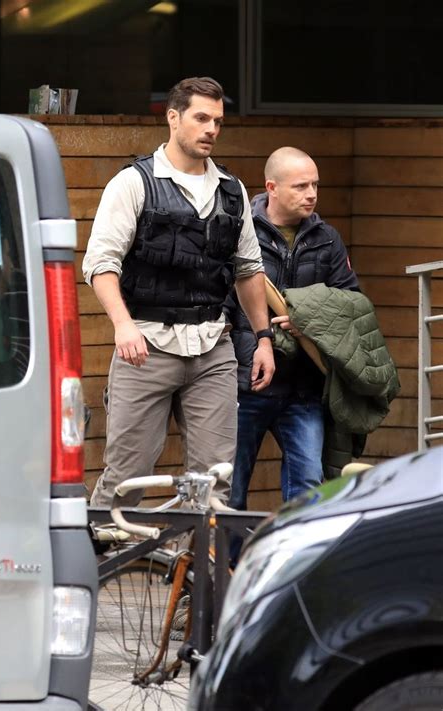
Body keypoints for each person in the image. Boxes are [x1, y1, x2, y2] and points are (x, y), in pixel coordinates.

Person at [83, 76, 275, 508]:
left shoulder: (232, 191)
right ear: (174, 118)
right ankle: (93, 569)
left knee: (213, 481)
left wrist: (263, 339)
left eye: (218, 122)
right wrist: (122, 325)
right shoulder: (133, 183)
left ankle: (197, 573)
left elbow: (248, 270)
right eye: (201, 118)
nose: (211, 129)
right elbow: (100, 263)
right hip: (146, 345)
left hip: (213, 348)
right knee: (126, 476)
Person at [226, 146, 360, 516]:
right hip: (248, 384)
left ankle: (295, 572)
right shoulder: (239, 232)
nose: (312, 194)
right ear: (272, 187)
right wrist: (249, 350)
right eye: (301, 186)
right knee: (230, 493)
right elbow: (222, 308)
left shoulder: (327, 238)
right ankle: (228, 571)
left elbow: (351, 301)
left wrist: (310, 319)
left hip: (304, 387)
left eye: (315, 185)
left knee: (308, 490)